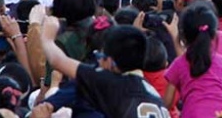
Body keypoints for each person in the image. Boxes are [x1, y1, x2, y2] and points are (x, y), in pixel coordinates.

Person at [40, 16, 169, 117]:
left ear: (111, 62)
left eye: (101, 56)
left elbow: (58, 60)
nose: (99, 62)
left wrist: (47, 36)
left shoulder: (111, 82)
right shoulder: (154, 95)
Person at [163, 1, 222, 117]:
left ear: (184, 36)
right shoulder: (219, 61)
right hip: (220, 114)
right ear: (214, 34)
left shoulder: (178, 64)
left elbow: (167, 104)